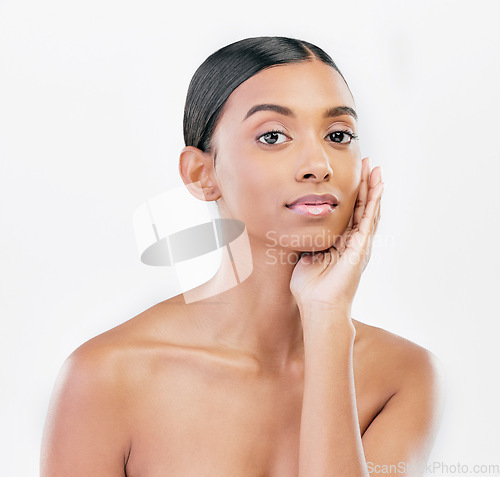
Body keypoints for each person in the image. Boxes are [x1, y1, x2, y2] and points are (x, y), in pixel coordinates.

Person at [40, 36, 445, 476]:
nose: (319, 163)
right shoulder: (105, 377)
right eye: (273, 136)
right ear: (201, 174)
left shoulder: (404, 377)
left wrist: (328, 316)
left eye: (338, 135)